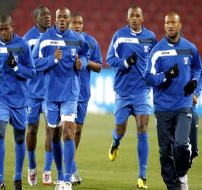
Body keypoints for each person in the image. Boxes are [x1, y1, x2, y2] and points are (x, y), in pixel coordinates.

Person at [32, 7, 89, 190]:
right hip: (50, 95)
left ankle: (66, 179)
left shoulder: (78, 39)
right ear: (55, 19)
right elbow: (34, 63)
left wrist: (83, 63)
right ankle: (59, 176)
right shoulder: (45, 38)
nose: (62, 20)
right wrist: (52, 59)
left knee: (68, 133)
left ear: (70, 19)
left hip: (71, 94)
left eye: (65, 17)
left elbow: (87, 54)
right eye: (59, 17)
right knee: (55, 136)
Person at [145, 12, 201, 190]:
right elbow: (148, 78)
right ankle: (172, 186)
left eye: (173, 22)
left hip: (184, 104)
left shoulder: (190, 48)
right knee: (164, 152)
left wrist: (195, 87)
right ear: (164, 26)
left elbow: (198, 69)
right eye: (167, 22)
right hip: (162, 107)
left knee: (181, 145)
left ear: (180, 25)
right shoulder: (157, 51)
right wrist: (166, 76)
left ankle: (182, 173)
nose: (170, 25)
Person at [106, 5, 157, 189]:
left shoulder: (150, 37)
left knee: (143, 130)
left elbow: (156, 61)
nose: (134, 18)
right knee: (120, 129)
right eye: (131, 16)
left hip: (142, 92)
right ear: (127, 18)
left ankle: (142, 176)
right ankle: (115, 142)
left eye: (138, 15)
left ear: (142, 18)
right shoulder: (119, 36)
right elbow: (109, 59)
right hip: (123, 91)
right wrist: (126, 62)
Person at [0, 15, 36, 190]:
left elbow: (32, 72)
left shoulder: (22, 45)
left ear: (12, 27)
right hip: (0, 98)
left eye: (6, 28)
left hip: (20, 100)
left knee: (20, 138)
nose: (3, 32)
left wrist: (15, 66)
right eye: (0, 29)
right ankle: (0, 181)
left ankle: (17, 178)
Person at [69, 13, 102, 185]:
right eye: (74, 22)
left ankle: (69, 162)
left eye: (80, 23)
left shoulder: (91, 42)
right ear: (69, 24)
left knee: (78, 130)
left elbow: (99, 67)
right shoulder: (63, 42)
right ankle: (71, 169)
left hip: (82, 94)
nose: (77, 25)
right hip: (66, 94)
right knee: (70, 129)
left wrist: (86, 62)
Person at [23, 5, 53, 186]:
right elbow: (30, 65)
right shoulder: (28, 39)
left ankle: (48, 170)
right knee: (32, 129)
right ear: (36, 18)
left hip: (50, 92)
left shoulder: (55, 37)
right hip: (33, 93)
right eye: (44, 15)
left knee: (51, 130)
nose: (48, 17)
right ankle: (32, 166)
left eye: (49, 14)